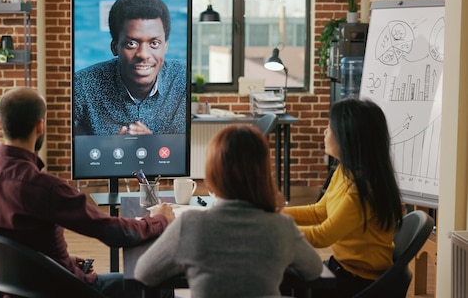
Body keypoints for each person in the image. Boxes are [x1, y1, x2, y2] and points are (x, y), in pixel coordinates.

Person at [0, 87, 175, 298]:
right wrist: (158, 220)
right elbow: (113, 232)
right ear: (40, 126)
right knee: (162, 284)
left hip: (16, 290)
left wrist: (56, 261)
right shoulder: (44, 188)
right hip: (64, 290)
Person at [134, 125, 323, 297]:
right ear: (263, 174)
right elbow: (314, 269)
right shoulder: (282, 226)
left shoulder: (190, 225)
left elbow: (143, 273)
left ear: (213, 173)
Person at [282, 98, 404, 297]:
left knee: (279, 278)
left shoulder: (362, 190)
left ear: (347, 137)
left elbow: (323, 235)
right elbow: (318, 212)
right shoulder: (344, 170)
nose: (324, 132)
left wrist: (274, 227)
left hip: (357, 281)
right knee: (282, 274)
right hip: (341, 267)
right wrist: (273, 211)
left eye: (329, 128)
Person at [73, 0, 187, 136]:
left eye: (154, 43)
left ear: (165, 47)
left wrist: (154, 143)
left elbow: (183, 149)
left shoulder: (182, 79)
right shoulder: (83, 86)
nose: (143, 55)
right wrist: (106, 149)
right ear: (115, 47)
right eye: (131, 44)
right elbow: (69, 146)